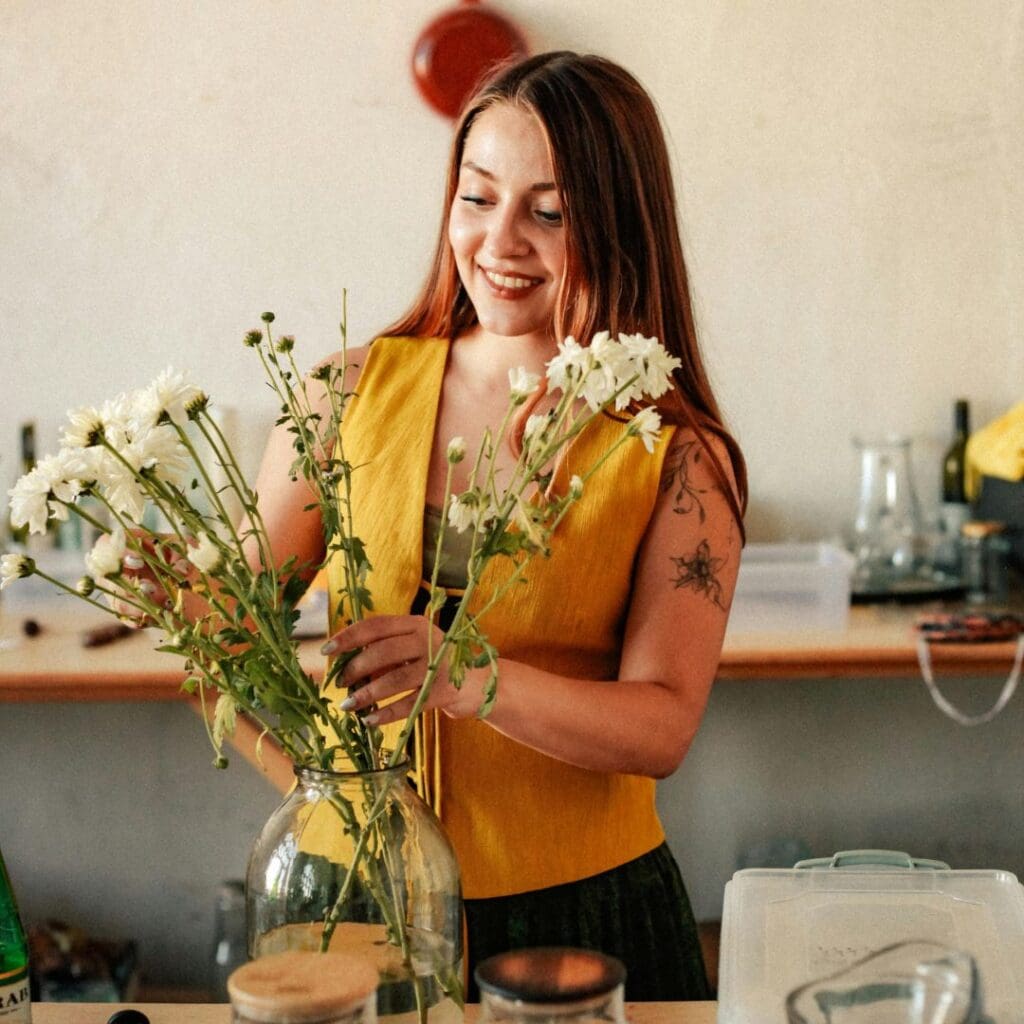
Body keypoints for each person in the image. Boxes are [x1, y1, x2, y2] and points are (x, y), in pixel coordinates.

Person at [248, 51, 747, 999]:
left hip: (580, 918)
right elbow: (227, 638)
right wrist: (322, 801)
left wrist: (468, 678)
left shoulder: (678, 455)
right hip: (354, 901)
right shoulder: (342, 396)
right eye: (477, 198)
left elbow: (663, 725)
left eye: (548, 212)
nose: (500, 241)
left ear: (621, 221)